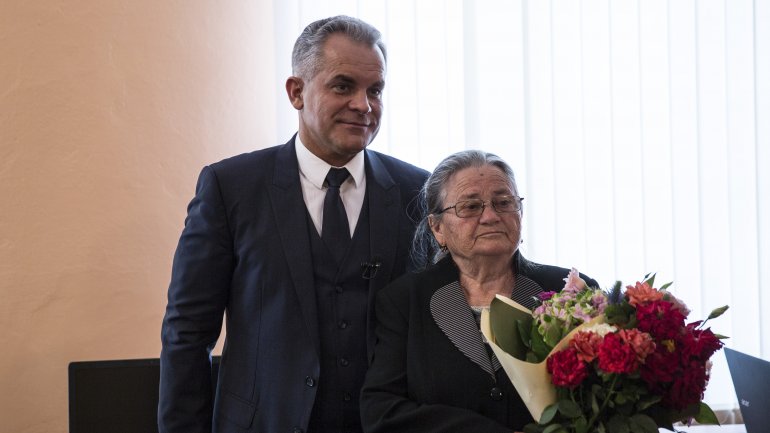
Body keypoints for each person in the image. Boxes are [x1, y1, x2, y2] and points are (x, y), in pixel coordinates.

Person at [159, 16, 429, 433]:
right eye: (343, 86)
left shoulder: (418, 190)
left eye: (375, 90)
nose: (364, 104)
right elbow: (188, 334)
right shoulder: (230, 188)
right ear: (296, 92)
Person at [359, 150, 599, 433]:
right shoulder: (404, 301)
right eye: (471, 206)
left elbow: (608, 394)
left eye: (504, 203)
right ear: (437, 229)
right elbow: (382, 410)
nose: (490, 216)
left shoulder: (569, 289)